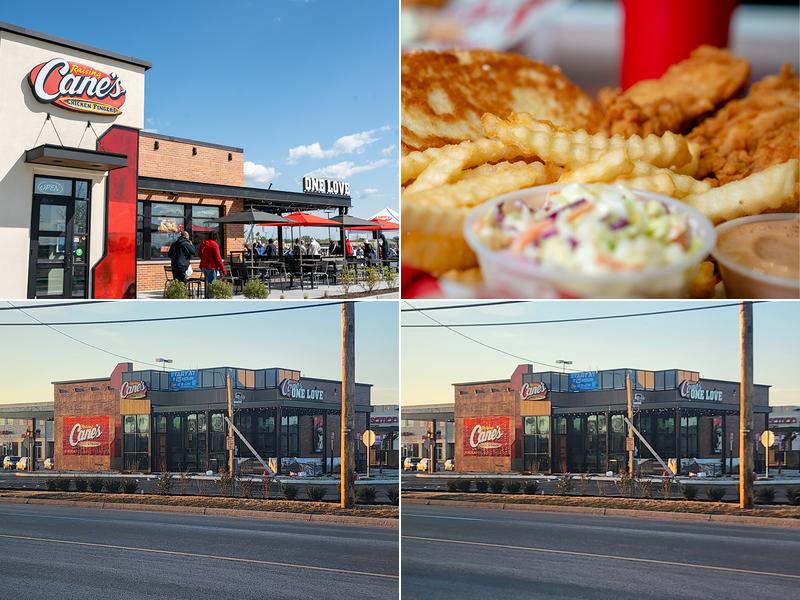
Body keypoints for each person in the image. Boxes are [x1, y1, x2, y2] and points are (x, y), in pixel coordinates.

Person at [198, 233, 226, 298]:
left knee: (207, 284)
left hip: (204, 266)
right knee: (212, 285)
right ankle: (211, 300)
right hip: (212, 267)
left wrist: (204, 259)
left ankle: (206, 298)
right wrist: (223, 269)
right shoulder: (214, 245)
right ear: (216, 238)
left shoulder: (203, 243)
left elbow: (199, 254)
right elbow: (218, 258)